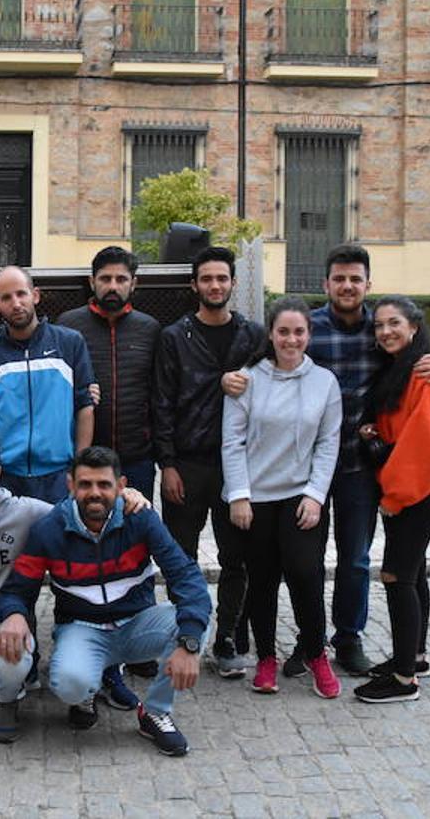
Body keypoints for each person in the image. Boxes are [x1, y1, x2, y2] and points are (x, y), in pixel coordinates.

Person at [0, 426, 152, 744]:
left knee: (15, 655)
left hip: (2, 626)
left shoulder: (24, 511)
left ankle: (7, 699)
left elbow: (83, 511)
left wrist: (124, 496)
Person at [295, 244, 430, 678]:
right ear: (326, 283)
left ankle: (348, 638)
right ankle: (307, 641)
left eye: (356, 279)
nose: (348, 286)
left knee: (356, 559)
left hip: (362, 469)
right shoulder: (308, 327)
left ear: (367, 283)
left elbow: (419, 358)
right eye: (339, 278)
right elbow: (272, 360)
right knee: (303, 560)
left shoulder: (382, 327)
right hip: (308, 467)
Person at [0, 446, 212, 757]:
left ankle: (154, 712)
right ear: (70, 485)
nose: (94, 493)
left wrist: (189, 643)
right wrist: (14, 613)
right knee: (70, 684)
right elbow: (17, 588)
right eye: (85, 484)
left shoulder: (141, 519)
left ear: (121, 486)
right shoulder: (49, 528)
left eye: (104, 485)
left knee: (198, 620)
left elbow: (186, 575)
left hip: (136, 625)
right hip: (81, 628)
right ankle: (87, 689)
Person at [152, 246, 264, 679]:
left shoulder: (253, 336)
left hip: (238, 466)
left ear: (233, 283)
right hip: (188, 463)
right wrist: (168, 464)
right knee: (180, 558)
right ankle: (187, 632)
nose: (214, 285)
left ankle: (229, 637)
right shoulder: (174, 336)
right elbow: (161, 403)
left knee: (237, 557)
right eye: (206, 279)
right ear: (193, 285)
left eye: (222, 278)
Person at [222, 297, 342, 699]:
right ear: (270, 334)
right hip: (255, 499)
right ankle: (267, 658)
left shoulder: (324, 382)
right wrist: (239, 496)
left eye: (299, 332)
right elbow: (232, 442)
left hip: (301, 497)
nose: (291, 340)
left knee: (306, 576)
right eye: (283, 332)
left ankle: (315, 654)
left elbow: (328, 444)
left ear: (309, 334)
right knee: (262, 581)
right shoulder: (247, 379)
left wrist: (316, 496)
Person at [353, 296, 430, 703]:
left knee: (396, 575)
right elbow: (400, 427)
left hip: (421, 485)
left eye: (394, 323)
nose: (385, 332)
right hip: (411, 482)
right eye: (379, 326)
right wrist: (374, 434)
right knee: (415, 570)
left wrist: (394, 497)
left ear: (414, 326)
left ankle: (402, 680)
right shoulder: (398, 369)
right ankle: (413, 657)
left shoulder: (425, 370)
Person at [0, 265, 96, 504]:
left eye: (21, 294)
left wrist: (80, 466)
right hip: (6, 478)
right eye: (6, 297)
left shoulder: (70, 343)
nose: (16, 303)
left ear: (35, 295)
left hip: (59, 476)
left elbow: (85, 407)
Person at [56, 246, 161, 499]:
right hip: (86, 456)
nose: (112, 286)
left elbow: (160, 391)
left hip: (137, 458)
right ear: (92, 282)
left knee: (134, 529)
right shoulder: (68, 325)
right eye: (105, 279)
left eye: (121, 279)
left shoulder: (150, 329)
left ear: (133, 283)